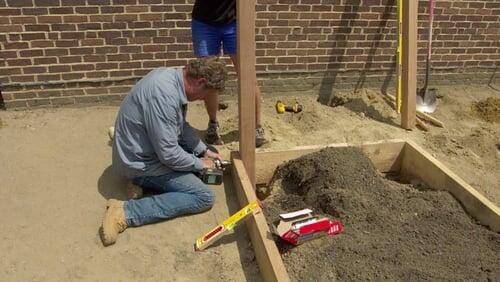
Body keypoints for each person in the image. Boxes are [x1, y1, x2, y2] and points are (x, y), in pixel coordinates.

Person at [100, 57, 227, 246]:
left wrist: (202, 151)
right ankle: (124, 212)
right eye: (205, 94)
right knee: (203, 196)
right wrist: (200, 163)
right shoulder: (164, 96)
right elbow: (169, 154)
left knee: (192, 159)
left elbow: (180, 126)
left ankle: (139, 184)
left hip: (138, 146)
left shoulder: (171, 77)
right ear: (201, 82)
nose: (202, 99)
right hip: (139, 162)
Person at [191, 0, 267, 147]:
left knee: (248, 76)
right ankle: (213, 124)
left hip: (236, 20)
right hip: (204, 22)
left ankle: (256, 126)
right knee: (208, 78)